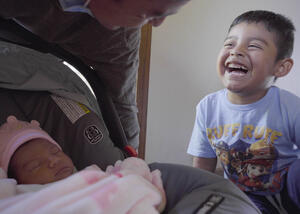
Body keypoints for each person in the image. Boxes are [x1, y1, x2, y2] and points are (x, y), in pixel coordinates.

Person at [0, 0, 191, 150]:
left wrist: (131, 161)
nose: (157, 24)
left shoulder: (120, 39)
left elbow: (122, 105)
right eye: (155, 13)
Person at [0, 116, 260, 214]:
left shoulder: (93, 176)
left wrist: (132, 173)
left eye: (54, 151)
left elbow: (129, 173)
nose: (52, 160)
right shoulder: (18, 195)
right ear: (18, 179)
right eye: (35, 165)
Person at [187, 10, 300, 214]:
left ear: (280, 67)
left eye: (254, 46)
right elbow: (202, 168)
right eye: (229, 44)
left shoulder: (289, 106)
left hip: (288, 190)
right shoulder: (208, 107)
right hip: (246, 194)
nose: (235, 51)